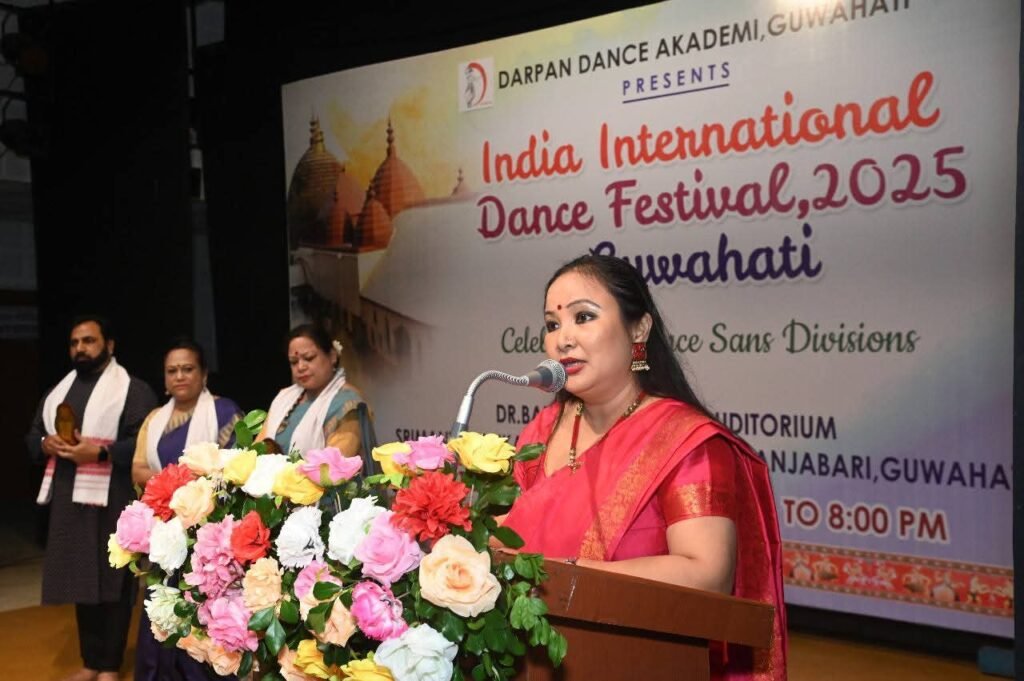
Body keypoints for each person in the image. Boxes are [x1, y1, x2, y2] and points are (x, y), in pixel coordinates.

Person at [501, 255, 787, 681]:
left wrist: (563, 578)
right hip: (529, 659)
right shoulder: (543, 430)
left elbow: (707, 574)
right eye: (552, 324)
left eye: (583, 317)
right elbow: (507, 530)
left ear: (639, 329)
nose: (563, 339)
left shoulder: (685, 441)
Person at [25, 315, 158, 681]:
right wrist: (45, 443)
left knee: (113, 580)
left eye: (88, 341)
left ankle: (110, 665)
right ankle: (90, 662)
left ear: (109, 345)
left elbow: (143, 443)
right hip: (70, 499)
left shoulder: (133, 390)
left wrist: (99, 453)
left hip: (113, 497)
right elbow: (33, 436)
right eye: (74, 343)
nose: (80, 348)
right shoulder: (59, 392)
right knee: (81, 577)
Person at [131, 337, 243, 681]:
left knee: (203, 615)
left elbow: (234, 469)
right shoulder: (154, 419)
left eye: (188, 369)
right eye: (172, 371)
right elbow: (137, 469)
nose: (179, 376)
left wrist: (178, 485)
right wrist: (177, 484)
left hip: (208, 534)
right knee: (162, 607)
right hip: (164, 528)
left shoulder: (225, 413)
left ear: (204, 374)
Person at [258, 324, 367, 457]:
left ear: (332, 356)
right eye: (294, 362)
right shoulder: (284, 398)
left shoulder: (348, 404)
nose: (301, 367)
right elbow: (257, 451)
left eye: (309, 358)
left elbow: (336, 463)